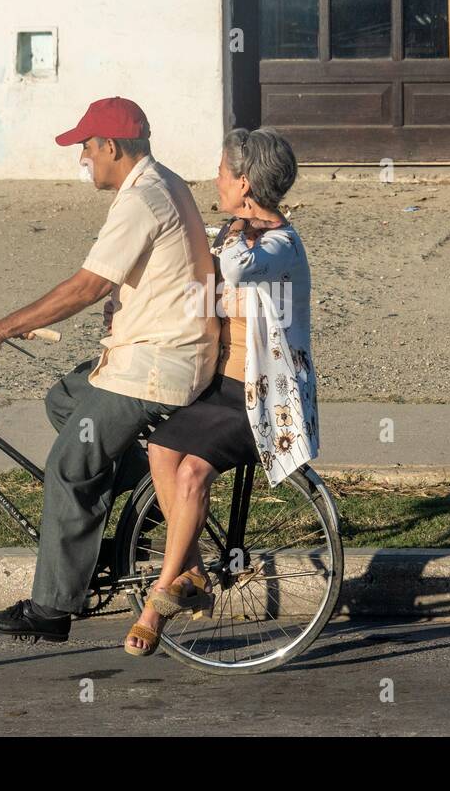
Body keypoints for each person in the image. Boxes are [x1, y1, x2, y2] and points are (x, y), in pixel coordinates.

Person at [0, 96, 219, 642]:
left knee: (69, 468)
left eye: (85, 147)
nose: (82, 158)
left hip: (156, 365)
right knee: (61, 400)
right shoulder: (162, 181)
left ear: (112, 146)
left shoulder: (141, 200)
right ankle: (144, 489)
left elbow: (86, 285)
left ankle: (51, 611)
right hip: (156, 347)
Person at [123, 127, 318, 657]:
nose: (215, 179)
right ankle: (193, 570)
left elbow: (232, 266)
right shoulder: (241, 233)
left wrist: (234, 227)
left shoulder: (278, 245)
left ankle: (159, 601)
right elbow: (201, 287)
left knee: (191, 472)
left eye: (223, 172)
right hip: (223, 388)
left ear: (245, 183)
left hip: (264, 401)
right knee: (161, 448)